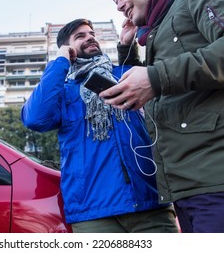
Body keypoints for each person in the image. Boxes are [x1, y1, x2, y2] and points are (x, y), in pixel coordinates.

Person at [102, 0, 224, 232]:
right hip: (186, 189)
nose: (119, 5)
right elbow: (162, 89)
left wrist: (156, 77)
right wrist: (127, 50)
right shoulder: (157, 34)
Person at [21, 18, 178, 233]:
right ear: (67, 48)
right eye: (80, 36)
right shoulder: (63, 92)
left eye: (91, 33)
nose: (90, 37)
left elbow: (158, 83)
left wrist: (126, 46)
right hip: (93, 213)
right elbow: (35, 118)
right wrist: (60, 62)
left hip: (150, 205)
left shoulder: (124, 75)